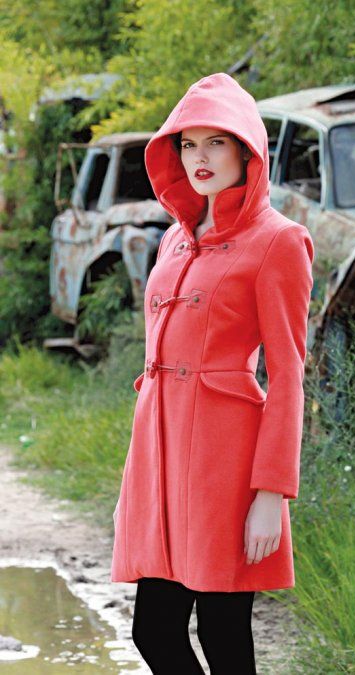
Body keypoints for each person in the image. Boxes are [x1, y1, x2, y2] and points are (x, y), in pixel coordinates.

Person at [110, 72, 314, 674]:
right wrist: (136, 481)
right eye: (188, 144)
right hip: (159, 453)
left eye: (215, 143)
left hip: (226, 463)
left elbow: (287, 375)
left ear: (247, 150)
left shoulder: (279, 241)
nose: (199, 158)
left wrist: (271, 494)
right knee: (154, 631)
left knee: (224, 634)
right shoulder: (174, 240)